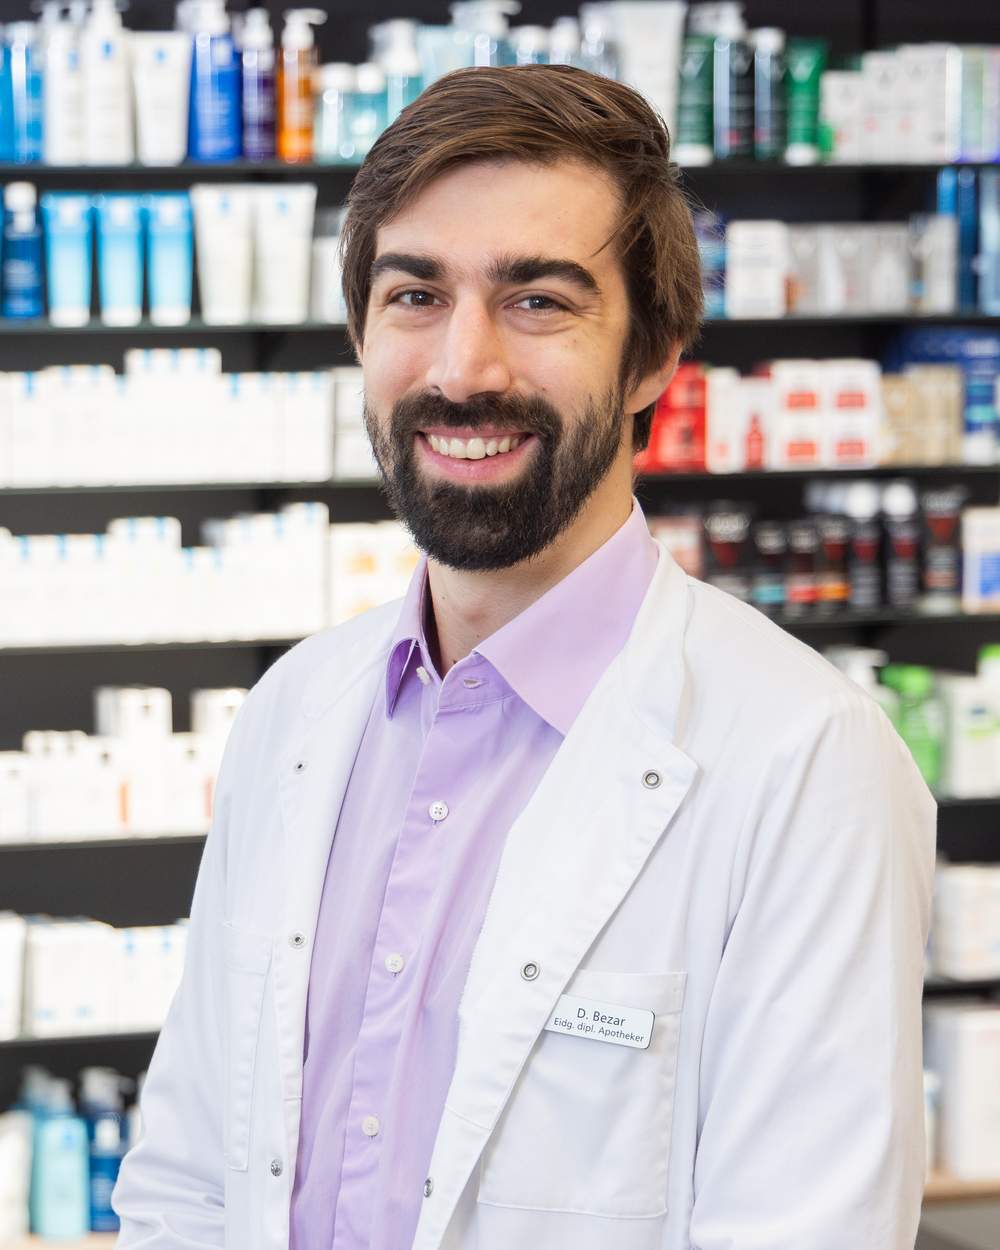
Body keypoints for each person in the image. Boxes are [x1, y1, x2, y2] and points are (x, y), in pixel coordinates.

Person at [112, 65, 935, 1250]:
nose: (463, 368)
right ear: (360, 333)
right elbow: (188, 1183)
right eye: (414, 295)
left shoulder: (805, 761)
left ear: (653, 355)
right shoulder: (294, 711)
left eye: (537, 300)